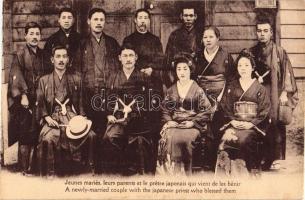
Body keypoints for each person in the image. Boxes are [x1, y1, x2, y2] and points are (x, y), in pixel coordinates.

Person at [36, 46, 97, 177]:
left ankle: (86, 170)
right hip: (53, 117)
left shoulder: (76, 79)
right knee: (48, 138)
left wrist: (83, 118)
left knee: (90, 135)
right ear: (52, 60)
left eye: (64, 56)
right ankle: (50, 172)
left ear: (68, 59)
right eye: (58, 56)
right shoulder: (44, 80)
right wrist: (46, 118)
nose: (61, 60)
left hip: (72, 116)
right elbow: (40, 105)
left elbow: (80, 104)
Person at [249, 18, 298, 170]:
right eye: (259, 31)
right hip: (258, 92)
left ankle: (276, 158)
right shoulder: (251, 52)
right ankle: (259, 157)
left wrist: (285, 92)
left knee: (274, 122)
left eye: (265, 31)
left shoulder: (280, 52)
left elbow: (287, 74)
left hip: (275, 92)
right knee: (259, 121)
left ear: (271, 33)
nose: (262, 34)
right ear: (256, 33)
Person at [102, 43, 155, 175]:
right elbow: (107, 98)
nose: (128, 59)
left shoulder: (144, 77)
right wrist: (109, 114)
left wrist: (135, 110)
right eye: (125, 56)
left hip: (137, 117)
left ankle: (135, 168)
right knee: (110, 136)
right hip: (118, 117)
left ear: (136, 57)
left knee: (137, 139)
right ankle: (119, 168)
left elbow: (149, 101)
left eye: (131, 55)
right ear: (119, 58)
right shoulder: (113, 77)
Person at [122, 8, 164, 174]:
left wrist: (152, 69)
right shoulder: (129, 39)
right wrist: (138, 72)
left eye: (146, 18)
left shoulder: (155, 40)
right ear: (135, 20)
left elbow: (161, 61)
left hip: (152, 83)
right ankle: (132, 162)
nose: (142, 21)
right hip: (134, 84)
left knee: (153, 120)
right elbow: (126, 59)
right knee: (134, 120)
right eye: (140, 18)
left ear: (149, 21)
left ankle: (151, 162)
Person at [217, 49, 270, 174]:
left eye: (246, 65)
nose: (243, 68)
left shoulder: (260, 88)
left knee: (244, 139)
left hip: (252, 126)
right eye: (240, 65)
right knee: (225, 138)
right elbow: (225, 106)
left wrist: (251, 124)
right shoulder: (232, 86)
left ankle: (249, 173)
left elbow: (264, 110)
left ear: (252, 68)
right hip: (235, 124)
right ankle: (227, 176)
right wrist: (233, 121)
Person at [158, 53, 212, 175]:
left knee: (185, 139)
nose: (182, 72)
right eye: (178, 69)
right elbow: (165, 109)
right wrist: (169, 121)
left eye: (185, 69)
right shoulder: (171, 89)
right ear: (175, 71)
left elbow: (206, 110)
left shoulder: (197, 89)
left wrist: (192, 122)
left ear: (190, 70)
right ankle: (169, 175)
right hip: (175, 124)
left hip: (192, 125)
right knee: (168, 137)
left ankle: (185, 174)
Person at [8, 22, 48, 175]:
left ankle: (37, 166)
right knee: (26, 131)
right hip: (24, 100)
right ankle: (25, 167)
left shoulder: (43, 55)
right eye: (31, 33)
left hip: (40, 98)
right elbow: (15, 75)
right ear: (25, 36)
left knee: (39, 130)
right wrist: (23, 95)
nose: (34, 37)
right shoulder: (19, 54)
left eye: (37, 34)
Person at [194, 26, 235, 169]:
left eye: (211, 37)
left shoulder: (226, 56)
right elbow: (193, 79)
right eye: (205, 37)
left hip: (221, 97)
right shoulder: (197, 56)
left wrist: (222, 98)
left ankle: (215, 163)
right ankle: (201, 161)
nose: (208, 40)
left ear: (218, 38)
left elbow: (230, 79)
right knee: (202, 126)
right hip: (201, 96)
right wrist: (200, 97)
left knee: (217, 126)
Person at [75, 7, 120, 136]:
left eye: (101, 20)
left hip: (108, 93)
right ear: (89, 21)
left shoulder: (112, 43)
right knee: (91, 131)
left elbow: (118, 69)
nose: (99, 23)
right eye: (95, 19)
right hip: (88, 93)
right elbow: (77, 72)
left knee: (108, 130)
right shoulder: (81, 43)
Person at [164, 6, 202, 87]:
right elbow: (168, 58)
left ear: (195, 17)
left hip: (195, 74)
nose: (188, 18)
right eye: (186, 15)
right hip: (177, 74)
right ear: (181, 16)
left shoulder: (201, 35)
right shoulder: (174, 35)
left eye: (191, 16)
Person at [44, 8, 81, 72]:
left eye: (69, 18)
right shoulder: (51, 40)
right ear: (59, 20)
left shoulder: (80, 38)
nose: (66, 21)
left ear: (73, 20)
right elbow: (47, 62)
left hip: (76, 75)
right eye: (63, 18)